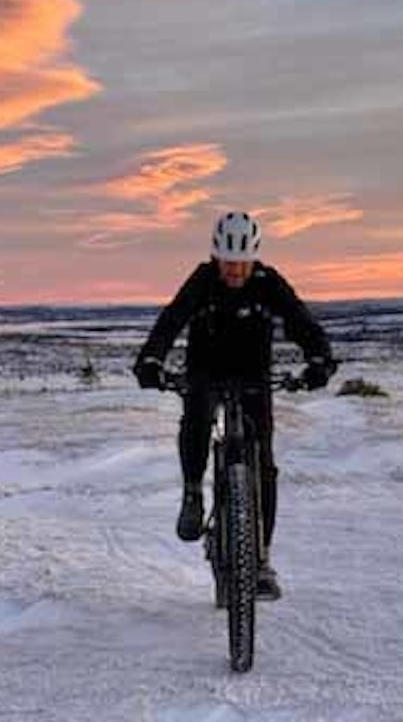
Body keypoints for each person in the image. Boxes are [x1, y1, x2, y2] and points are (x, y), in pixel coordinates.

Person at [133, 211, 336, 600]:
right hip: (205, 371)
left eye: (241, 263)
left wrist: (319, 358)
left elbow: (300, 321)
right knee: (197, 417)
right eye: (228, 262)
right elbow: (171, 320)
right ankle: (193, 492)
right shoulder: (202, 280)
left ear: (253, 257)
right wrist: (151, 359)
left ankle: (260, 561)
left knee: (264, 463)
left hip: (253, 376)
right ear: (216, 257)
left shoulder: (267, 282)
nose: (234, 271)